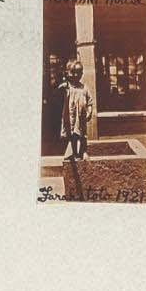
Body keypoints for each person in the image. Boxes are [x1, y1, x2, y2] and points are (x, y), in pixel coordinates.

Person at [58, 55, 92, 195]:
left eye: (80, 72)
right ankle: (73, 152)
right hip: (70, 117)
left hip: (81, 117)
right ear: (70, 73)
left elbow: (90, 102)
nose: (78, 75)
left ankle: (82, 151)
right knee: (72, 135)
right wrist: (64, 83)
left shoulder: (84, 88)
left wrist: (89, 111)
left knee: (82, 135)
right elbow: (59, 91)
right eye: (75, 72)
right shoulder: (67, 87)